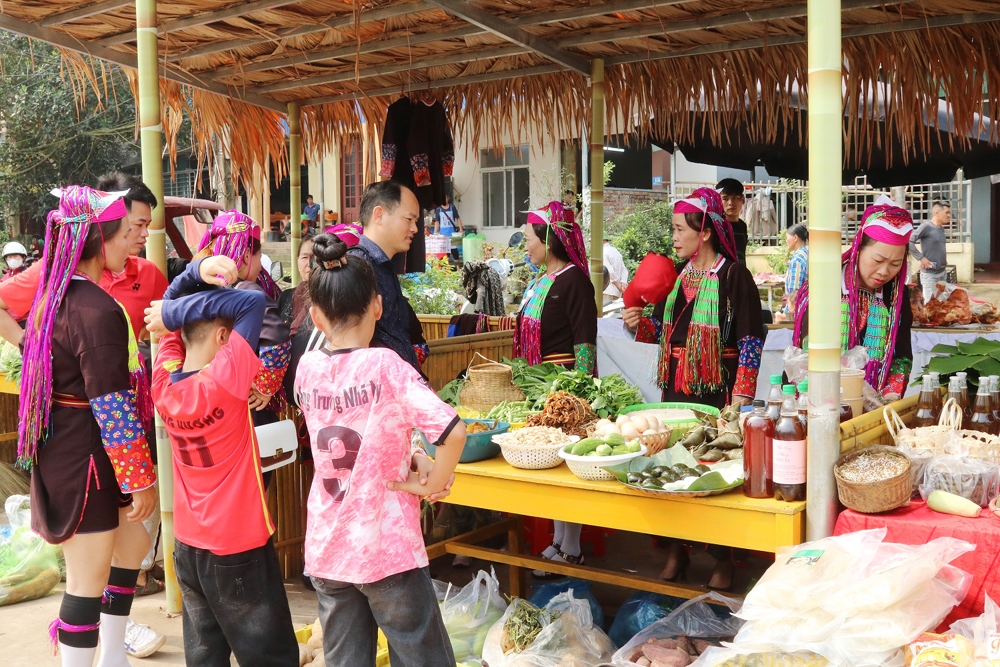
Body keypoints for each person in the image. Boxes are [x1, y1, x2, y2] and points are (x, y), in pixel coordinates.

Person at [295, 233, 466, 667]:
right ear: (377, 305)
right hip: (385, 545)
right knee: (422, 657)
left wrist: (409, 454)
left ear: (315, 316)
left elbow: (352, 428)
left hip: (328, 544)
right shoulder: (387, 365)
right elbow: (453, 430)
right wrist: (435, 482)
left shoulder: (308, 369)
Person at [18, 186, 157, 667]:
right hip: (88, 457)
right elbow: (113, 403)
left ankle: (112, 657)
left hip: (77, 447)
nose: (133, 242)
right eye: (127, 233)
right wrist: (140, 478)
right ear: (102, 239)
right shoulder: (93, 309)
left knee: (131, 548)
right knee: (84, 583)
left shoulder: (57, 298)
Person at [147, 259, 299, 667]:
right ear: (221, 335)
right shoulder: (227, 379)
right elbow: (252, 304)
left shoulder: (163, 383)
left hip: (190, 547)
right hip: (239, 548)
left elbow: (169, 313)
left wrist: (192, 276)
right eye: (231, 335)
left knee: (205, 656)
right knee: (272, 656)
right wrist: (175, 305)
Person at [623, 187, 764, 591]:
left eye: (679, 228)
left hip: (716, 390)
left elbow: (752, 338)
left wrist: (741, 397)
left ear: (703, 232)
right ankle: (677, 549)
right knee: (671, 463)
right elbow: (663, 334)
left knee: (714, 470)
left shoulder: (734, 275)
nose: (673, 236)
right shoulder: (675, 276)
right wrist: (639, 324)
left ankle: (723, 557)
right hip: (675, 388)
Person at [514, 201, 597, 572]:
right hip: (540, 386)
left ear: (548, 241)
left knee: (564, 468)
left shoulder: (574, 280)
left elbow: (584, 340)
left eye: (529, 238)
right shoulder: (541, 280)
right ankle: (558, 540)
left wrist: (579, 394)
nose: (526, 247)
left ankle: (571, 545)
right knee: (549, 467)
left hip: (563, 387)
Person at [794, 197, 914, 401]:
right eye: (878, 260)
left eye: (895, 264)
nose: (884, 271)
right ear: (858, 248)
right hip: (819, 399)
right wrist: (854, 385)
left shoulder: (895, 297)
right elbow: (809, 353)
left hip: (875, 403)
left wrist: (891, 393)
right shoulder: (825, 287)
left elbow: (901, 356)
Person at [194, 211, 290, 421]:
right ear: (247, 255)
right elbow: (278, 342)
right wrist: (265, 386)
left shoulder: (198, 287)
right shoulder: (248, 292)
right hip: (247, 402)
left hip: (208, 401)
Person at [349, 181, 427, 371]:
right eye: (409, 219)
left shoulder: (382, 265)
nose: (415, 229)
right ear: (379, 215)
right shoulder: (359, 265)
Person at [909, 199, 950, 301]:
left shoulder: (941, 228)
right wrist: (921, 258)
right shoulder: (926, 226)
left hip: (942, 273)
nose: (949, 215)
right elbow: (909, 242)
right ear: (937, 213)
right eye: (946, 213)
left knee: (941, 306)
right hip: (930, 275)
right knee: (930, 307)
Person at [278, 233, 315, 334]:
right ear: (297, 261)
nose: (309, 264)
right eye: (304, 257)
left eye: (315, 258)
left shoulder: (328, 297)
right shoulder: (285, 296)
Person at [716, 178, 749, 263]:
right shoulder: (716, 225)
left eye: (735, 198)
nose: (731, 203)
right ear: (718, 201)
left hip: (739, 274)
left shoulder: (742, 226)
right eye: (725, 199)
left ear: (743, 199)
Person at [784, 224, 809, 314]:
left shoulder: (797, 259)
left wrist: (786, 313)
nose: (786, 241)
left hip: (798, 309)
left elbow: (794, 293)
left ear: (795, 238)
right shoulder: (807, 252)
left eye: (787, 238)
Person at [602, 231, 629, 305]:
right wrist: (623, 283)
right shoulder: (616, 251)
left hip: (607, 289)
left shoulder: (602, 252)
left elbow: (608, 271)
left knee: (604, 314)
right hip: (617, 292)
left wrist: (619, 285)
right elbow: (624, 270)